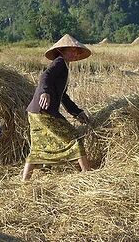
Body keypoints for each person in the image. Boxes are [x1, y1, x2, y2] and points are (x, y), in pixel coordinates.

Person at [22, 34, 92, 181]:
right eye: (71, 50)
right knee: (74, 137)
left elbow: (63, 97)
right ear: (61, 50)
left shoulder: (64, 66)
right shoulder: (59, 62)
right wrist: (45, 92)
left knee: (37, 147)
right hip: (43, 112)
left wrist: (77, 112)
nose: (75, 54)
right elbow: (45, 76)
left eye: (76, 51)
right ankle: (88, 174)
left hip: (36, 113)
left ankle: (24, 181)